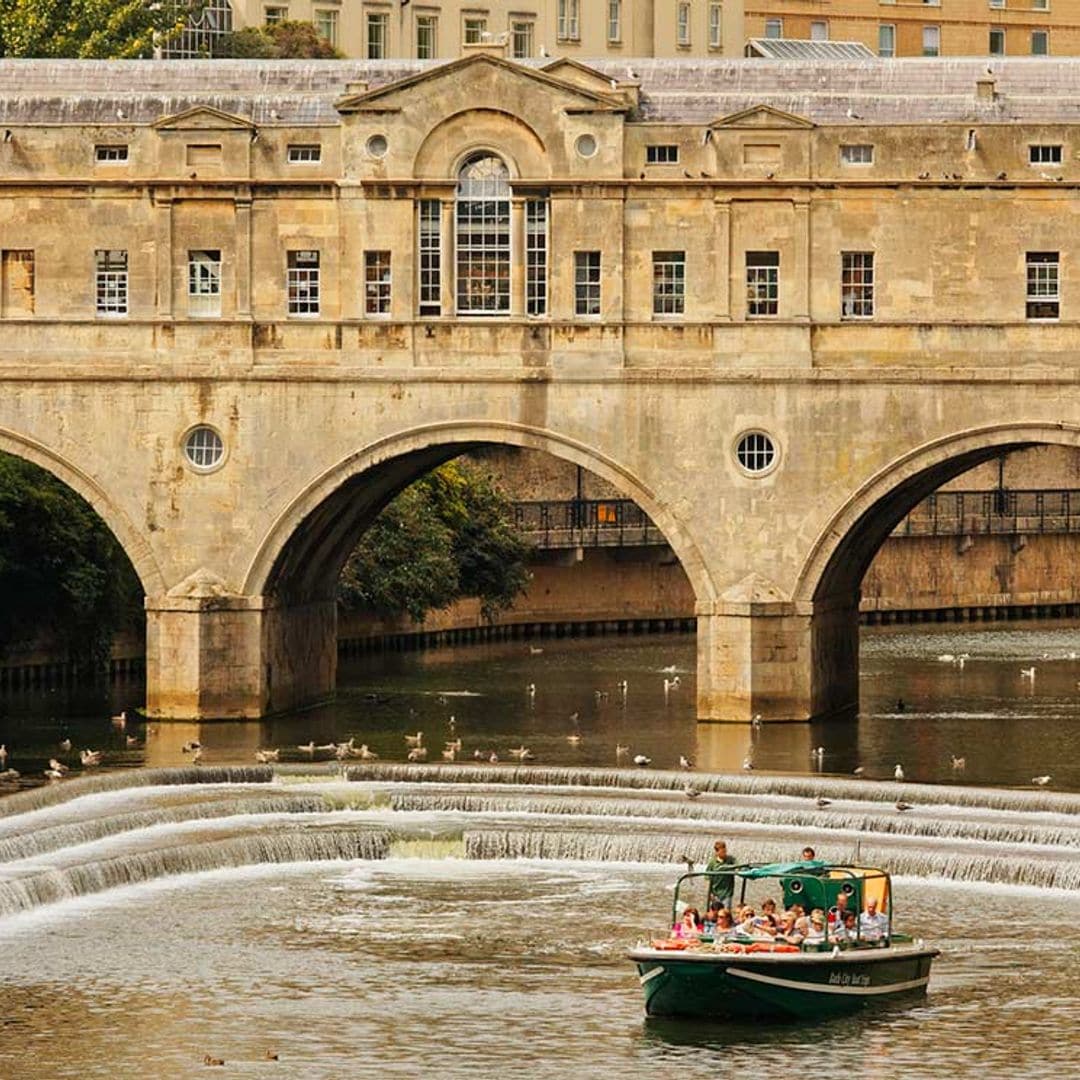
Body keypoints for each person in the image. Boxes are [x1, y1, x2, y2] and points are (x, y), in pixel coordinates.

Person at [705, 840, 735, 910]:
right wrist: (710, 893)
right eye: (722, 852)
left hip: (727, 893)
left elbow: (738, 866)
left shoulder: (731, 859)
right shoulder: (712, 862)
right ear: (717, 852)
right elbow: (707, 877)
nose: (724, 853)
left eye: (725, 851)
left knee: (725, 912)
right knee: (714, 912)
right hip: (715, 892)